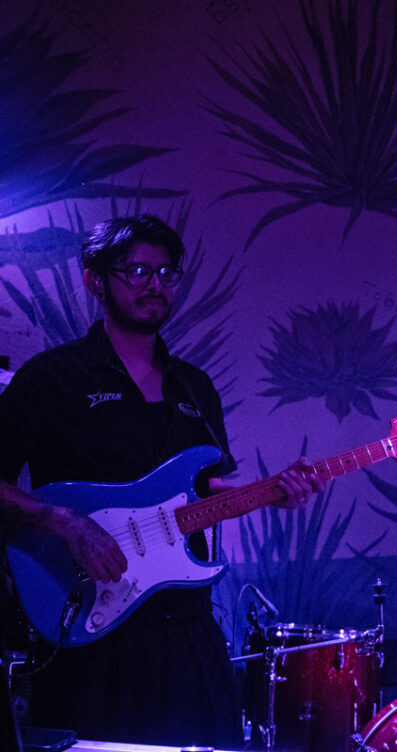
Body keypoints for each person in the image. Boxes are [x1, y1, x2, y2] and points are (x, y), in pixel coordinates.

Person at [0, 215, 321, 747]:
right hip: (90, 626)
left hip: (185, 626)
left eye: (168, 273)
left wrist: (271, 493)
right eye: (138, 271)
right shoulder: (52, 377)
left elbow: (202, 493)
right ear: (95, 280)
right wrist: (63, 522)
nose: (156, 284)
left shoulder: (194, 386)